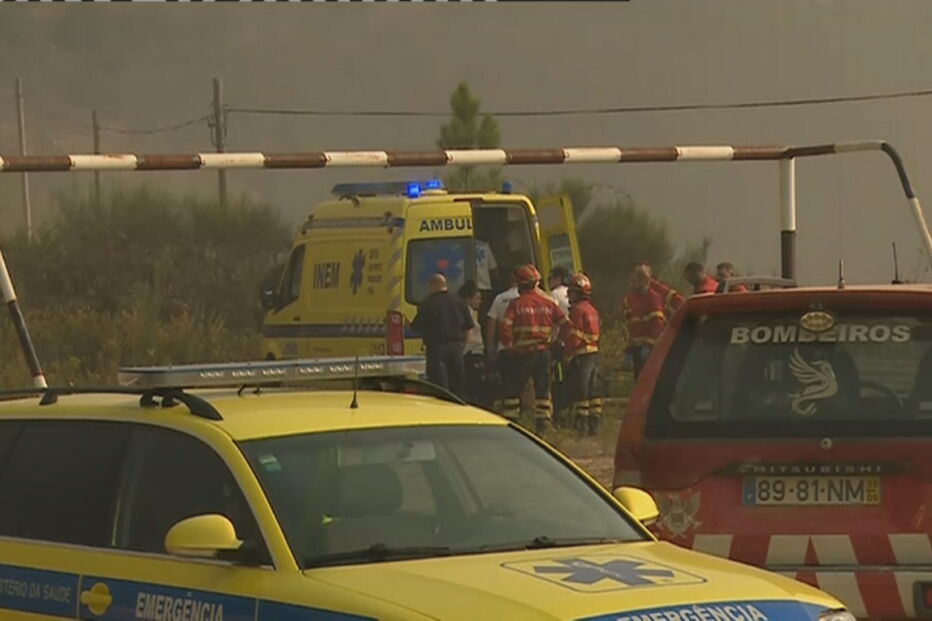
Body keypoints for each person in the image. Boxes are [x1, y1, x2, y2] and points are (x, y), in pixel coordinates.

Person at [500, 264, 568, 434]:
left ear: (520, 284)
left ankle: (512, 425)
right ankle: (543, 426)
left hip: (521, 355)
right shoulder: (548, 303)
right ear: (536, 283)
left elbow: (505, 327)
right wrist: (558, 342)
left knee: (512, 390)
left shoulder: (515, 304)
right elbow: (566, 324)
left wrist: (509, 347)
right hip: (543, 353)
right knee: (543, 391)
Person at [411, 273, 473, 398]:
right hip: (456, 348)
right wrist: (463, 346)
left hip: (436, 350)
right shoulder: (459, 302)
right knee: (458, 387)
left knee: (439, 387)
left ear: (433, 286)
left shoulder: (427, 304)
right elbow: (468, 328)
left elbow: (417, 327)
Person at [622, 263, 683, 379]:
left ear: (643, 281)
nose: (631, 284)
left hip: (649, 349)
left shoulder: (654, 299)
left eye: (634, 281)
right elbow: (632, 326)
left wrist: (648, 347)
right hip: (637, 348)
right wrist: (629, 348)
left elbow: (657, 326)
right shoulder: (632, 299)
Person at [559, 272, 602, 436]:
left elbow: (573, 335)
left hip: (580, 354)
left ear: (578, 292)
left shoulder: (577, 310)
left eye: (571, 291)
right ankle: (595, 424)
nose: (569, 295)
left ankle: (581, 425)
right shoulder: (592, 310)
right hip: (594, 353)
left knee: (580, 391)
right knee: (593, 390)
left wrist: (567, 355)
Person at [459, 280, 491, 410]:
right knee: (475, 389)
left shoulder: (470, 312)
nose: (480, 301)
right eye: (477, 298)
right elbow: (468, 334)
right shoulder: (466, 313)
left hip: (472, 354)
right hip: (471, 355)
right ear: (468, 299)